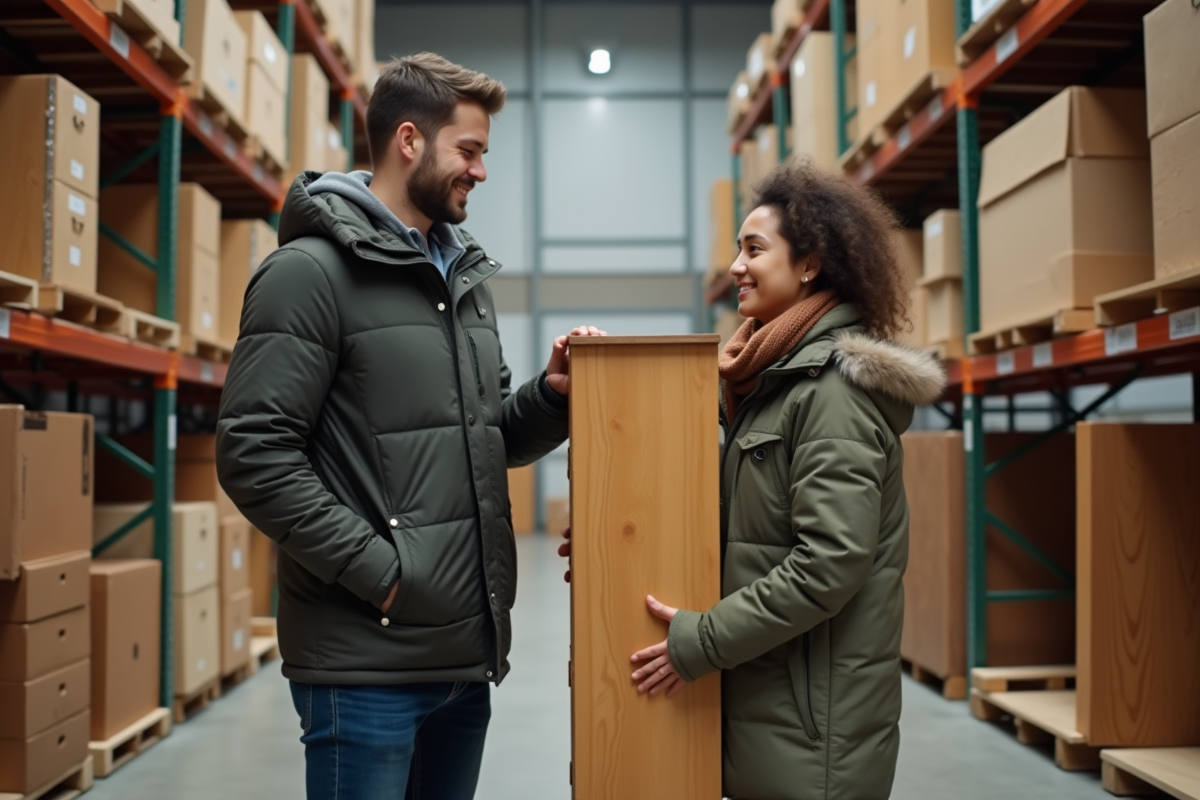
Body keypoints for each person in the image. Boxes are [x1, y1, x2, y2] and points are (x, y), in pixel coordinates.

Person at [216, 53, 603, 800]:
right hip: (365, 665)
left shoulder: (462, 281)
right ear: (408, 141)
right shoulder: (308, 274)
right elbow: (254, 454)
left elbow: (484, 438)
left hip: (462, 662)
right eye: (470, 150)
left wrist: (551, 397)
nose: (481, 171)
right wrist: (386, 578)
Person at [564, 160, 945, 799]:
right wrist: (615, 545)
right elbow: (739, 524)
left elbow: (829, 563)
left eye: (754, 249)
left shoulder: (831, 395)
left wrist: (703, 641)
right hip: (772, 710)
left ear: (810, 264)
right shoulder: (767, 384)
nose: (736, 266)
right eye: (738, 249)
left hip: (815, 730)